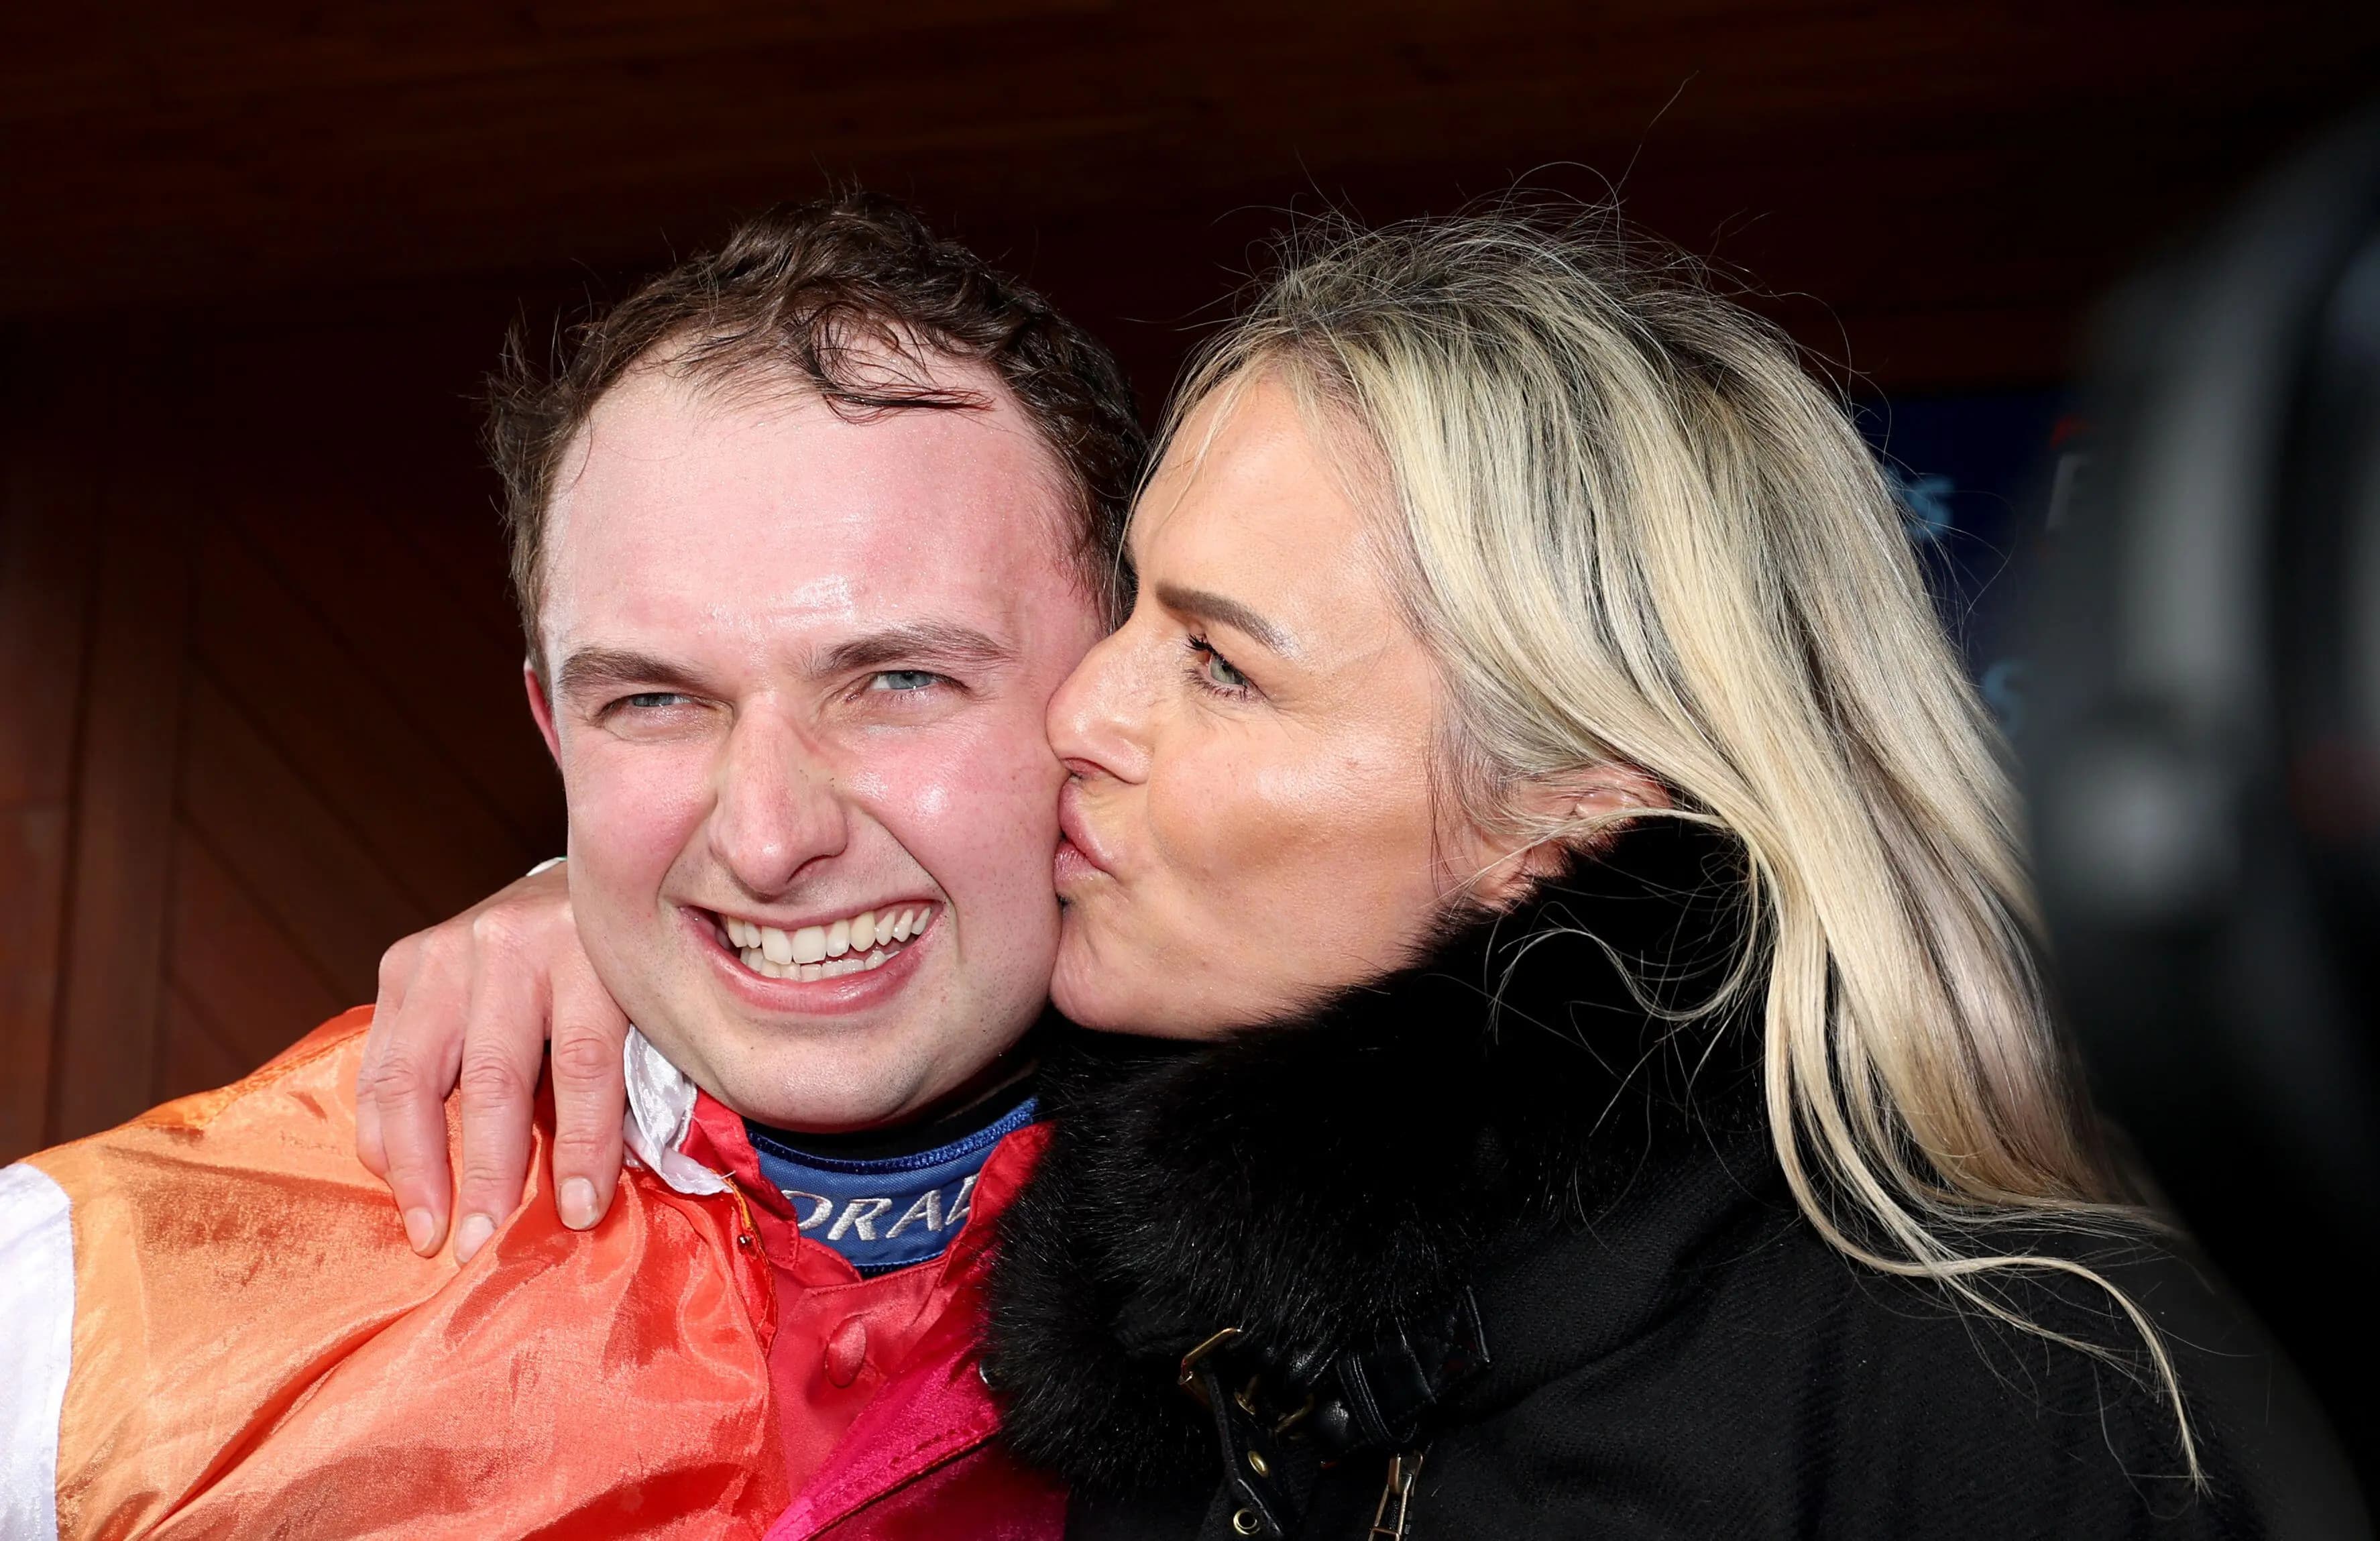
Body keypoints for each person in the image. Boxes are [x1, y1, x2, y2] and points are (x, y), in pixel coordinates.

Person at [366, 210, 2363, 1537]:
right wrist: (597, 908)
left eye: (1219, 661)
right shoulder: (1180, 1293)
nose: (1079, 713)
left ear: (1564, 798)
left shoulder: (2041, 1403)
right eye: (1132, 606)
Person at [0, 193, 1143, 1541]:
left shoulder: (1406, 1276)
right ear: (553, 729)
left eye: (898, 680)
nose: (768, 839)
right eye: (653, 703)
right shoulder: (93, 1302)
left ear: (1124, 688)